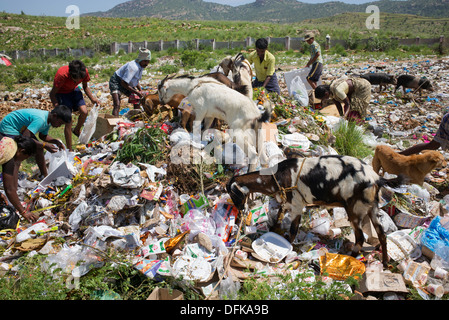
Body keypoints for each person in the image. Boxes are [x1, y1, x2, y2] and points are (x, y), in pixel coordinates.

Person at [0, 106, 72, 178]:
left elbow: (43, 136)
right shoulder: (41, 119)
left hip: (21, 130)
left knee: (39, 148)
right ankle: (11, 176)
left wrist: (56, 142)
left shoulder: (48, 120)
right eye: (60, 123)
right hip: (9, 127)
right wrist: (45, 145)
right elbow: (26, 137)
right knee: (18, 152)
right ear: (54, 116)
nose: (59, 126)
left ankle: (45, 175)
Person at [50, 59, 99, 150]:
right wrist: (57, 107)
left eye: (79, 79)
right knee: (69, 121)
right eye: (75, 79)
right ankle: (70, 150)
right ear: (70, 74)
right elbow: (52, 94)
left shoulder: (83, 71)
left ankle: (76, 130)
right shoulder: (61, 75)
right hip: (62, 94)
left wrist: (92, 98)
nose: (78, 80)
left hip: (74, 91)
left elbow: (85, 87)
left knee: (84, 112)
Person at [0, 135, 38, 222]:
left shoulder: (9, 141)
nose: (22, 160)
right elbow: (9, 189)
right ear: (22, 151)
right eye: (25, 157)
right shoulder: (9, 155)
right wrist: (23, 212)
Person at [109, 48, 152, 116]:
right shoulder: (133, 67)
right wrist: (137, 92)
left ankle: (135, 119)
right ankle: (114, 122)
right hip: (116, 81)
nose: (146, 63)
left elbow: (135, 80)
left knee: (137, 101)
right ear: (141, 60)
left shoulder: (141, 66)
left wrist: (140, 91)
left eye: (148, 61)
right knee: (117, 104)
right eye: (145, 61)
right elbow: (123, 83)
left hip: (127, 83)